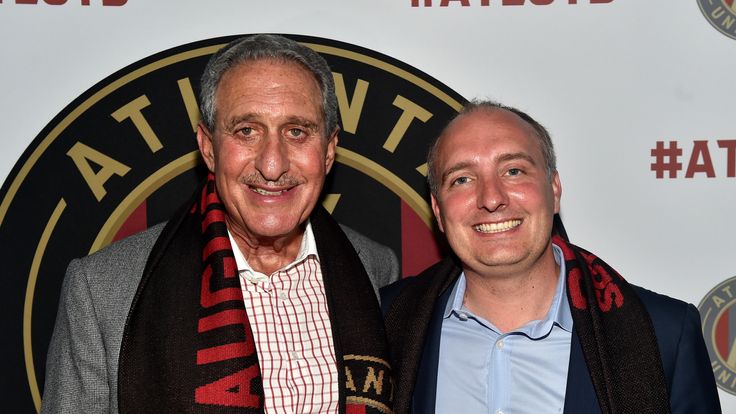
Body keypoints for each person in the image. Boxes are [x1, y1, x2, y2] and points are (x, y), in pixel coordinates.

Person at [42, 34, 398, 414]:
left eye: (297, 132)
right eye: (247, 131)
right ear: (208, 147)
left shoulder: (376, 269)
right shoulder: (103, 290)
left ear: (328, 151)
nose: (272, 165)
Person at [381, 101, 721, 414]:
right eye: (463, 179)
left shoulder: (664, 335)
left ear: (554, 190)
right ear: (438, 212)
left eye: (513, 171)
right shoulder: (385, 324)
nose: (491, 198)